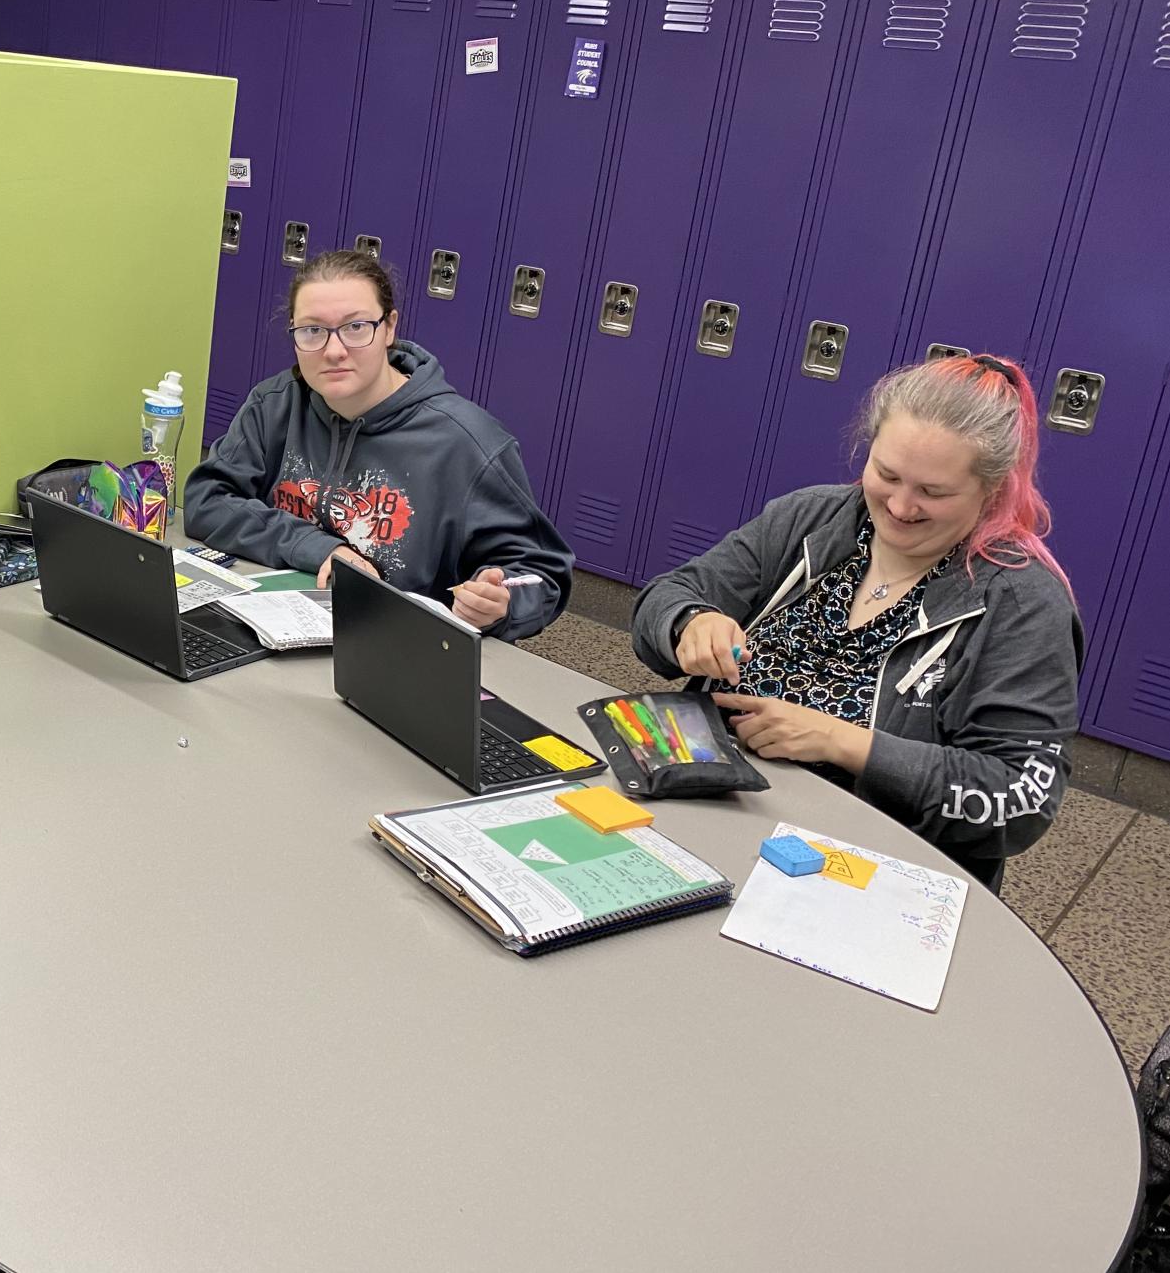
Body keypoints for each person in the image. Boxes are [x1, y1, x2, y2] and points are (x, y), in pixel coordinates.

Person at [631, 352, 1081, 889]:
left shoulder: (1021, 603)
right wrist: (690, 621)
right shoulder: (811, 520)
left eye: (932, 492)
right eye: (886, 473)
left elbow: (1016, 802)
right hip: (707, 802)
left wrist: (841, 742)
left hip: (858, 868)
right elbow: (665, 598)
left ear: (992, 489)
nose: (898, 505)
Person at [184, 248, 572, 638]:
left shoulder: (467, 443)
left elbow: (542, 577)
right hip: (276, 624)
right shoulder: (276, 403)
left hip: (396, 652)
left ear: (389, 328)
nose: (334, 351)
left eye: (356, 327)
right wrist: (315, 546)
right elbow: (208, 500)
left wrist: (501, 605)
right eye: (313, 331)